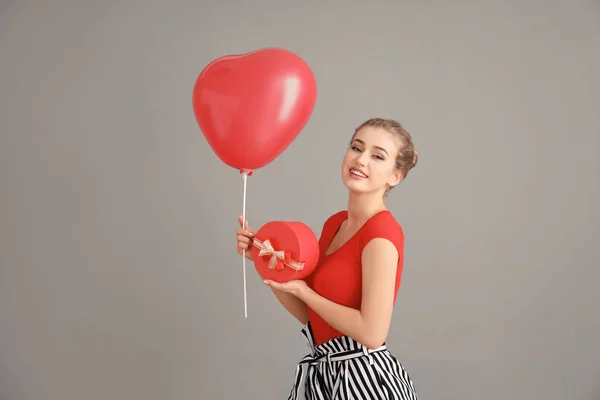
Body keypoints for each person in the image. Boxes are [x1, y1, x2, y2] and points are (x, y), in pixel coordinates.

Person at [235, 118, 419, 400]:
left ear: (395, 176)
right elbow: (312, 315)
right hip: (325, 376)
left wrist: (304, 291)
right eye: (357, 148)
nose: (361, 160)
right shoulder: (335, 223)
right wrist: (263, 259)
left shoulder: (381, 234)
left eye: (378, 156)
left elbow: (372, 333)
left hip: (364, 381)